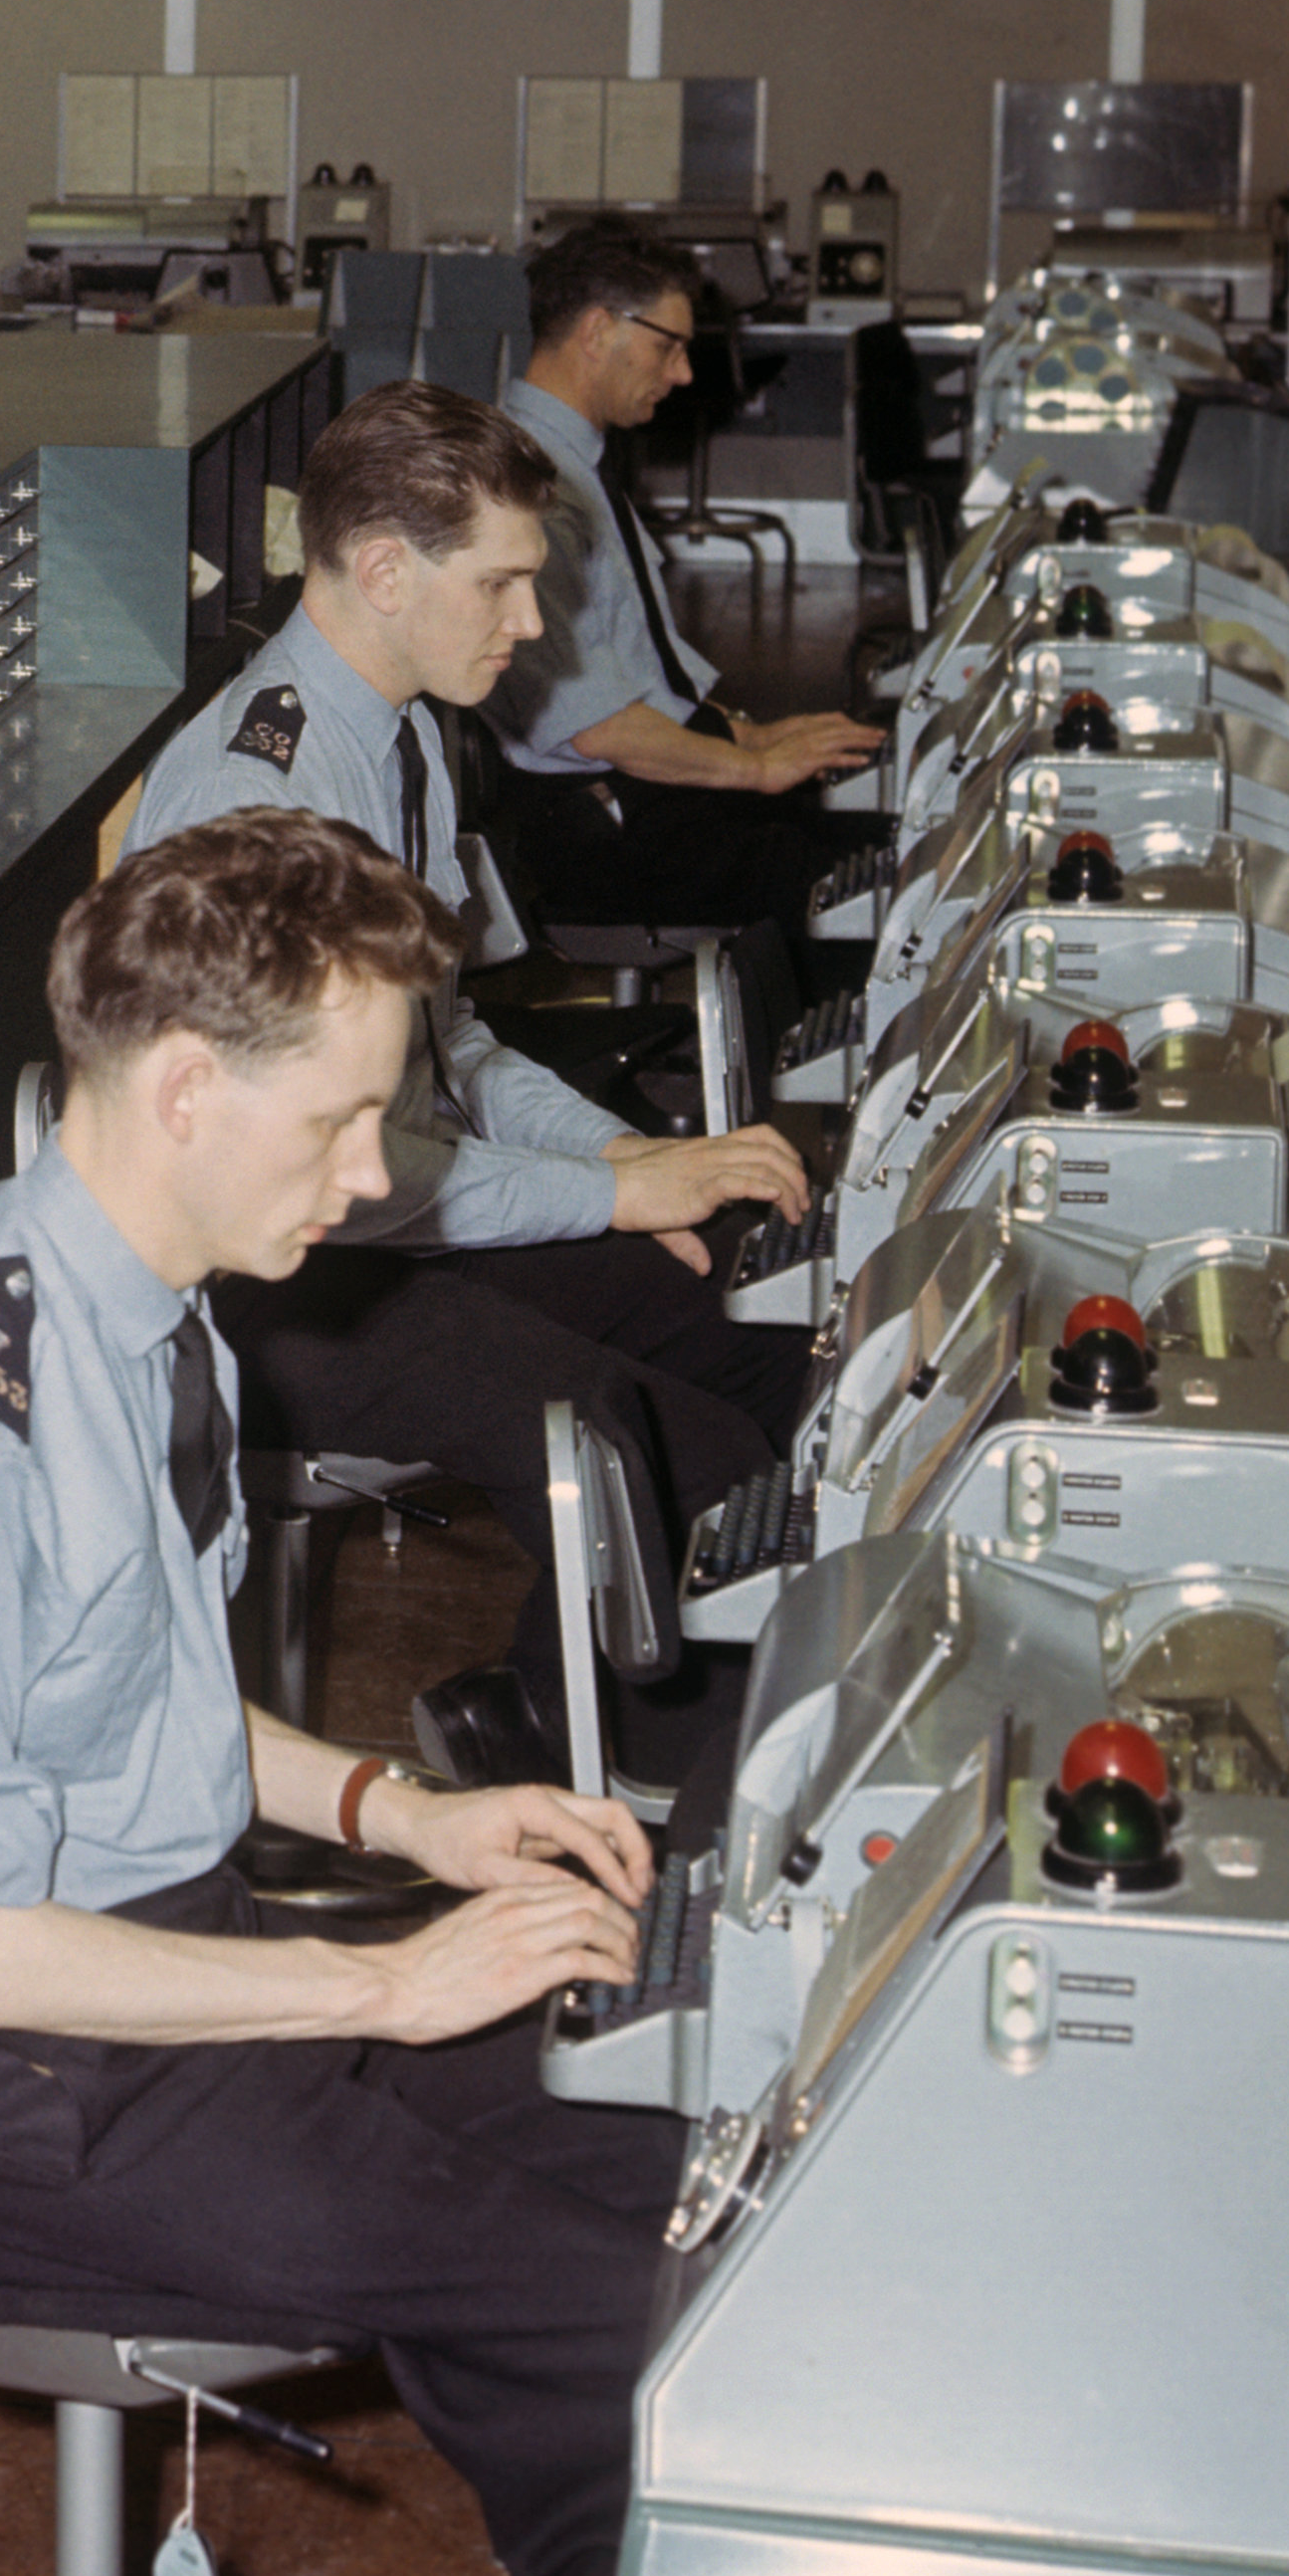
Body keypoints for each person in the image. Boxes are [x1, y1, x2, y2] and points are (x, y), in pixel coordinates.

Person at [0, 806, 678, 2576]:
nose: (369, 1168)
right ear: (177, 1086)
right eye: (336, 1116)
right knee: (639, 2348)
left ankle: (587, 2551)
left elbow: (130, 1688)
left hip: (156, 1965)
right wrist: (383, 1988)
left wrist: (400, 1820)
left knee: (667, 2149)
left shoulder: (141, 1309)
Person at [125, 380, 812, 1793]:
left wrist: (625, 1166)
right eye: (501, 584)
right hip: (279, 1276)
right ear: (384, 572)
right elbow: (326, 1178)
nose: (532, 624)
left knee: (766, 1332)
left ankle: (538, 1703)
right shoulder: (277, 804)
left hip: (399, 1213)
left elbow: (463, 1049)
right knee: (666, 1439)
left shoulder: (405, 729)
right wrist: (601, 1198)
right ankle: (615, 1782)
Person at [490, 226, 883, 930]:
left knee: (879, 840)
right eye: (668, 346)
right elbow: (602, 728)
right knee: (880, 895)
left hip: (633, 793)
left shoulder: (572, 463)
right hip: (600, 824)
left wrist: (759, 737)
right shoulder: (529, 484)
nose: (683, 374)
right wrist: (757, 768)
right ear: (598, 329)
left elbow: (639, 675)